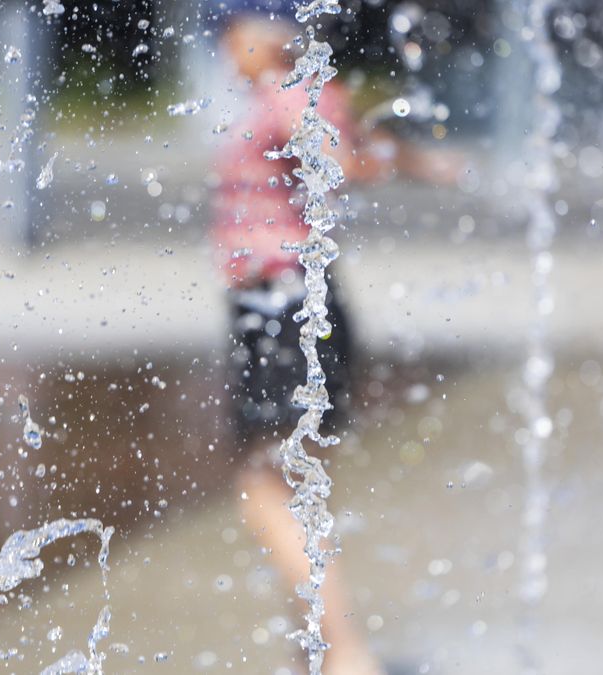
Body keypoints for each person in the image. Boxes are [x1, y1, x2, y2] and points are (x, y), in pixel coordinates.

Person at [210, 8, 390, 675]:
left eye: (234, 38)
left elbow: (340, 163)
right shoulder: (303, 92)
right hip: (293, 302)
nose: (227, 52)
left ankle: (344, 650)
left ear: (269, 38)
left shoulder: (291, 95)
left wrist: (351, 155)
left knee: (265, 487)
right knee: (297, 483)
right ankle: (314, 648)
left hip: (283, 307)